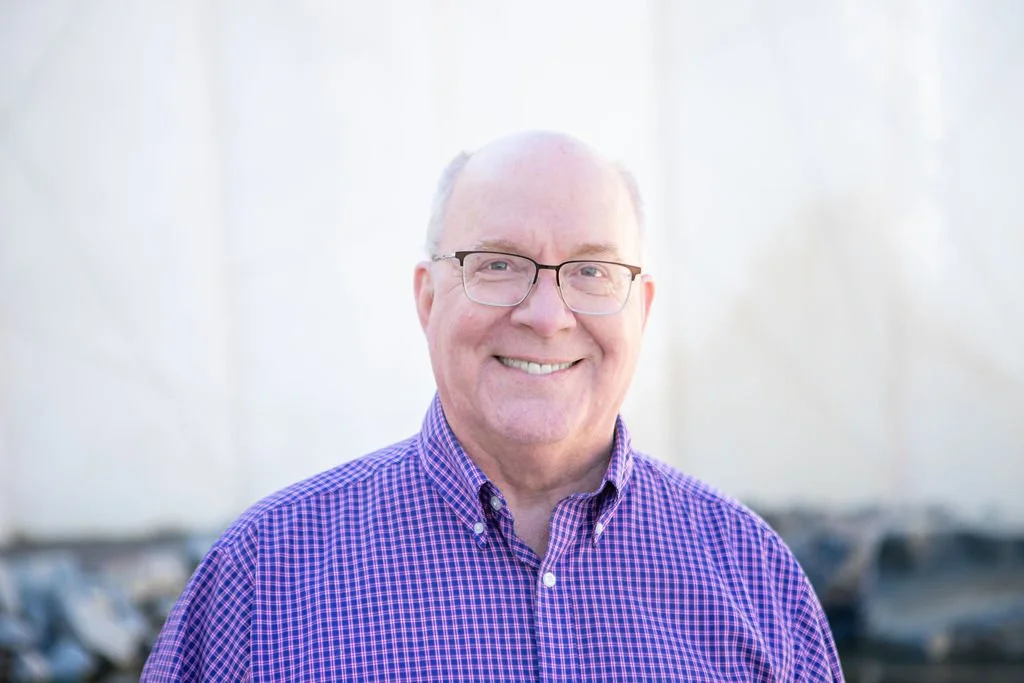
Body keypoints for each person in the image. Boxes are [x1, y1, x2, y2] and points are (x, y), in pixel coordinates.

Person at [142, 131, 844, 681]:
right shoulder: (264, 578)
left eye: (593, 271)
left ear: (641, 308)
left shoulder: (754, 575)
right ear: (427, 298)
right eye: (499, 264)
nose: (547, 315)